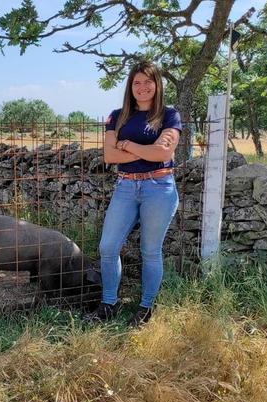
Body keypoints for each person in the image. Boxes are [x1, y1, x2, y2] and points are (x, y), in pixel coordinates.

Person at [90, 61, 182, 327]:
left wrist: (127, 144)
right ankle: (109, 303)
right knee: (108, 247)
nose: (142, 87)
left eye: (148, 82)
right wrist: (147, 149)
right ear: (130, 86)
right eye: (137, 82)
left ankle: (145, 307)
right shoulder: (117, 115)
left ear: (157, 85)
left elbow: (164, 153)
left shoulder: (169, 115)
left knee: (150, 251)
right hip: (126, 186)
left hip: (159, 188)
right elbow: (110, 155)